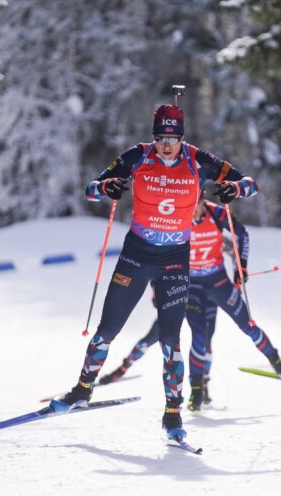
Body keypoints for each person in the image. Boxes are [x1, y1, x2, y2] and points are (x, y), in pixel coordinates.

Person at [50, 103, 258, 441]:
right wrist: (106, 188)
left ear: (182, 137)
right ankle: (82, 390)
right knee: (107, 329)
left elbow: (249, 184)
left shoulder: (199, 160)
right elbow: (91, 189)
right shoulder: (138, 155)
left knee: (171, 339)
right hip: (136, 254)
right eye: (160, 138)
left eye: (172, 139)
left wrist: (235, 189)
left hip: (175, 259)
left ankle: (172, 414)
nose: (165, 146)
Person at [98, 192, 281, 411]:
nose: (191, 210)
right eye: (187, 204)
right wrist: (155, 290)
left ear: (203, 201)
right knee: (188, 333)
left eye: (195, 204)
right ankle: (190, 387)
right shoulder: (177, 217)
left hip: (218, 283)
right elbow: (157, 255)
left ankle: (278, 365)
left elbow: (239, 238)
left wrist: (240, 267)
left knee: (246, 326)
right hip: (188, 287)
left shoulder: (216, 214)